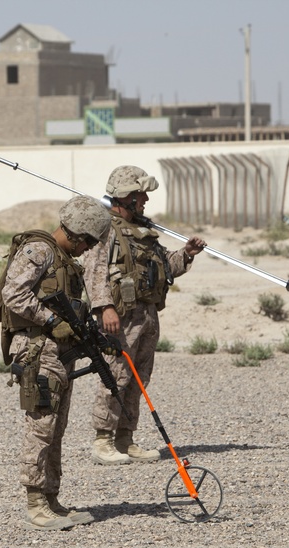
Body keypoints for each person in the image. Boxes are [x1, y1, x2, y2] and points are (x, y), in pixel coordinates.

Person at [1, 195, 113, 530]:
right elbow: (14, 294)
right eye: (88, 242)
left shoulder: (64, 260)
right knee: (41, 427)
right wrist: (51, 322)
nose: (88, 249)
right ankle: (35, 503)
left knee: (56, 429)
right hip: (37, 350)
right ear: (77, 233)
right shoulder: (40, 251)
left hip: (58, 353)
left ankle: (51, 498)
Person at [84, 166, 207, 465]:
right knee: (115, 377)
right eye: (141, 196)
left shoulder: (143, 232)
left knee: (139, 379)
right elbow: (94, 272)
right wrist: (104, 307)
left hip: (147, 316)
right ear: (125, 197)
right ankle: (103, 440)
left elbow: (167, 266)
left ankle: (126, 439)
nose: (145, 202)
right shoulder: (105, 230)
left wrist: (187, 253)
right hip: (120, 318)